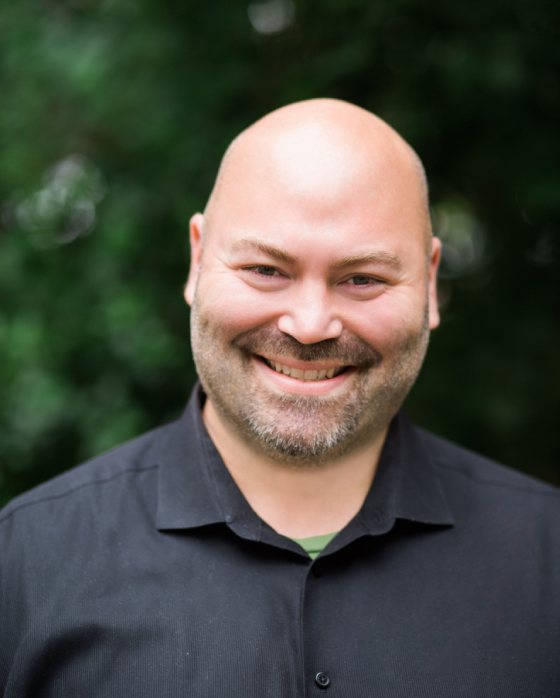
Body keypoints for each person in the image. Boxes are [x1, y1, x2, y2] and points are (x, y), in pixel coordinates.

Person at [1, 99, 559, 697]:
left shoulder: (547, 560)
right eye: (266, 269)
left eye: (362, 279)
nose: (311, 324)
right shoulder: (25, 567)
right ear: (196, 260)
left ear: (429, 285)